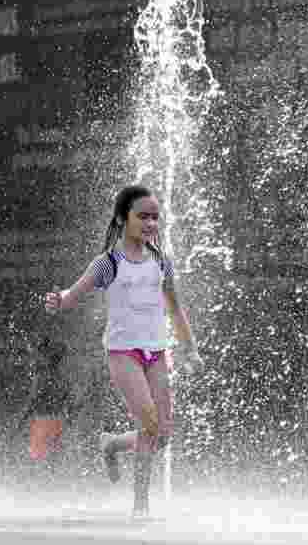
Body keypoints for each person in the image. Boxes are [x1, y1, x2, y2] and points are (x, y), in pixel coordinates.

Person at [44, 184, 204, 519]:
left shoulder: (161, 261)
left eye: (155, 218)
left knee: (162, 435)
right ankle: (141, 506)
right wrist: (58, 301)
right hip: (123, 354)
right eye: (142, 216)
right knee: (148, 421)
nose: (150, 224)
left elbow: (175, 308)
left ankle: (113, 443)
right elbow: (74, 294)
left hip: (157, 354)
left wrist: (188, 347)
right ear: (123, 218)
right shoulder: (108, 264)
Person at [13, 336, 75, 482]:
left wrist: (22, 420)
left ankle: (39, 485)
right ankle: (52, 485)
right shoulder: (63, 378)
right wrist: (69, 418)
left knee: (38, 456)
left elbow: (34, 399)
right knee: (54, 457)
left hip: (42, 420)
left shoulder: (43, 377)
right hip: (57, 420)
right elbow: (68, 400)